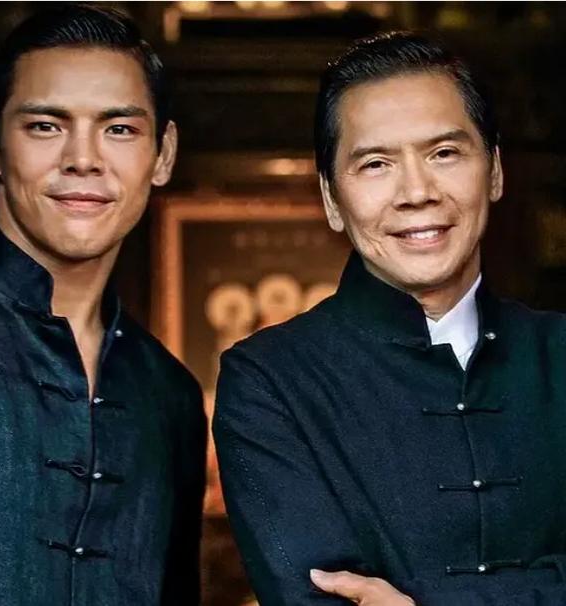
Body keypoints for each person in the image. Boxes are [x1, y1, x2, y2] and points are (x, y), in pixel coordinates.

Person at [214, 32, 565, 606]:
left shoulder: (558, 352)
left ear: (495, 171)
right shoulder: (270, 381)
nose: (417, 192)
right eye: (376, 164)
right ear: (332, 199)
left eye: (444, 153)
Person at [0, 6, 206, 605]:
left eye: (120, 129)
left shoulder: (170, 396)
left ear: (163, 155)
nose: (84, 159)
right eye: (45, 126)